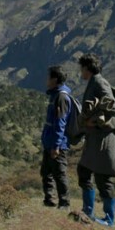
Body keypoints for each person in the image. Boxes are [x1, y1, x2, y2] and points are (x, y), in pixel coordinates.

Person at [72, 53, 115, 226]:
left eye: (81, 68)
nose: (80, 71)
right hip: (97, 139)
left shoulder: (99, 82)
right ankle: (88, 211)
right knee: (84, 171)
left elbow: (111, 105)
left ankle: (109, 220)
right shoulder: (94, 81)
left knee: (102, 179)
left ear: (87, 68)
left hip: (104, 140)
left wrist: (92, 121)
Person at [41, 66, 73, 208]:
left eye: (48, 77)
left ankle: (64, 203)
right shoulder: (56, 95)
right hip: (50, 141)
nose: (46, 80)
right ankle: (50, 200)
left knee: (59, 174)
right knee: (46, 172)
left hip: (57, 144)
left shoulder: (61, 97)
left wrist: (56, 146)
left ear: (54, 79)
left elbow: (61, 123)